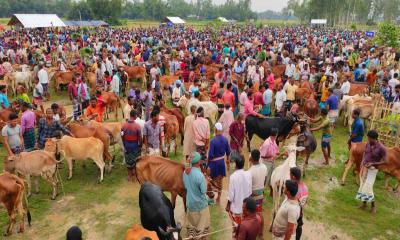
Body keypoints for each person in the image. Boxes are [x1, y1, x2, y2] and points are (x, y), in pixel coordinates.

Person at [356, 130, 386, 214]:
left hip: (373, 169)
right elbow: (365, 154)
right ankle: (364, 204)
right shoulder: (367, 144)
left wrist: (373, 163)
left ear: (374, 138)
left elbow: (385, 161)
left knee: (368, 187)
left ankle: (373, 206)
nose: (368, 140)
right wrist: (362, 163)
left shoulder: (381, 148)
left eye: (369, 138)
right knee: (363, 185)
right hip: (364, 167)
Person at [183, 152, 210, 240]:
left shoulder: (185, 173)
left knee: (192, 231)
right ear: (198, 162)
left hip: (190, 205)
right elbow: (204, 191)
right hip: (201, 206)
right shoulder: (200, 175)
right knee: (202, 232)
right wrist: (206, 180)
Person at [226, 154, 252, 226]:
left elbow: (231, 196)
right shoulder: (248, 174)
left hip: (236, 209)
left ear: (235, 165)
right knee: (245, 228)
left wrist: (228, 205)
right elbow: (250, 192)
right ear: (243, 164)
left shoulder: (233, 177)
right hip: (246, 209)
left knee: (236, 229)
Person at [208, 122, 230, 202]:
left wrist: (207, 164)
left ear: (216, 130)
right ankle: (219, 197)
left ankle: (211, 196)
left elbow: (211, 155)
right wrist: (227, 161)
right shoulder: (225, 139)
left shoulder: (213, 141)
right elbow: (228, 152)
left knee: (211, 180)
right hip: (221, 163)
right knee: (220, 180)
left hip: (214, 164)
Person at [248, 149, 267, 237]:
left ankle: (251, 233)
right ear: (259, 157)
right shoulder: (264, 167)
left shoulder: (250, 171)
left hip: (252, 196)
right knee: (259, 214)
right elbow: (265, 180)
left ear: (251, 158)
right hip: (260, 194)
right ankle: (261, 233)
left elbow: (248, 187)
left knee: (251, 216)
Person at [121, 109, 142, 182]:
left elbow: (122, 135)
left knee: (128, 159)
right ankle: (135, 175)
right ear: (135, 116)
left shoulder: (124, 125)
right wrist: (140, 145)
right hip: (134, 145)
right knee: (135, 160)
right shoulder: (137, 126)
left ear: (130, 115)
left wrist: (124, 142)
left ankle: (129, 176)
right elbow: (140, 138)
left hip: (127, 144)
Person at [290, 167, 309, 240]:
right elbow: (305, 200)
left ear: (293, 176)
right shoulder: (305, 187)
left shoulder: (295, 189)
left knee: (292, 229)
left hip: (294, 213)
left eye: (290, 174)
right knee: (299, 226)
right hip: (301, 212)